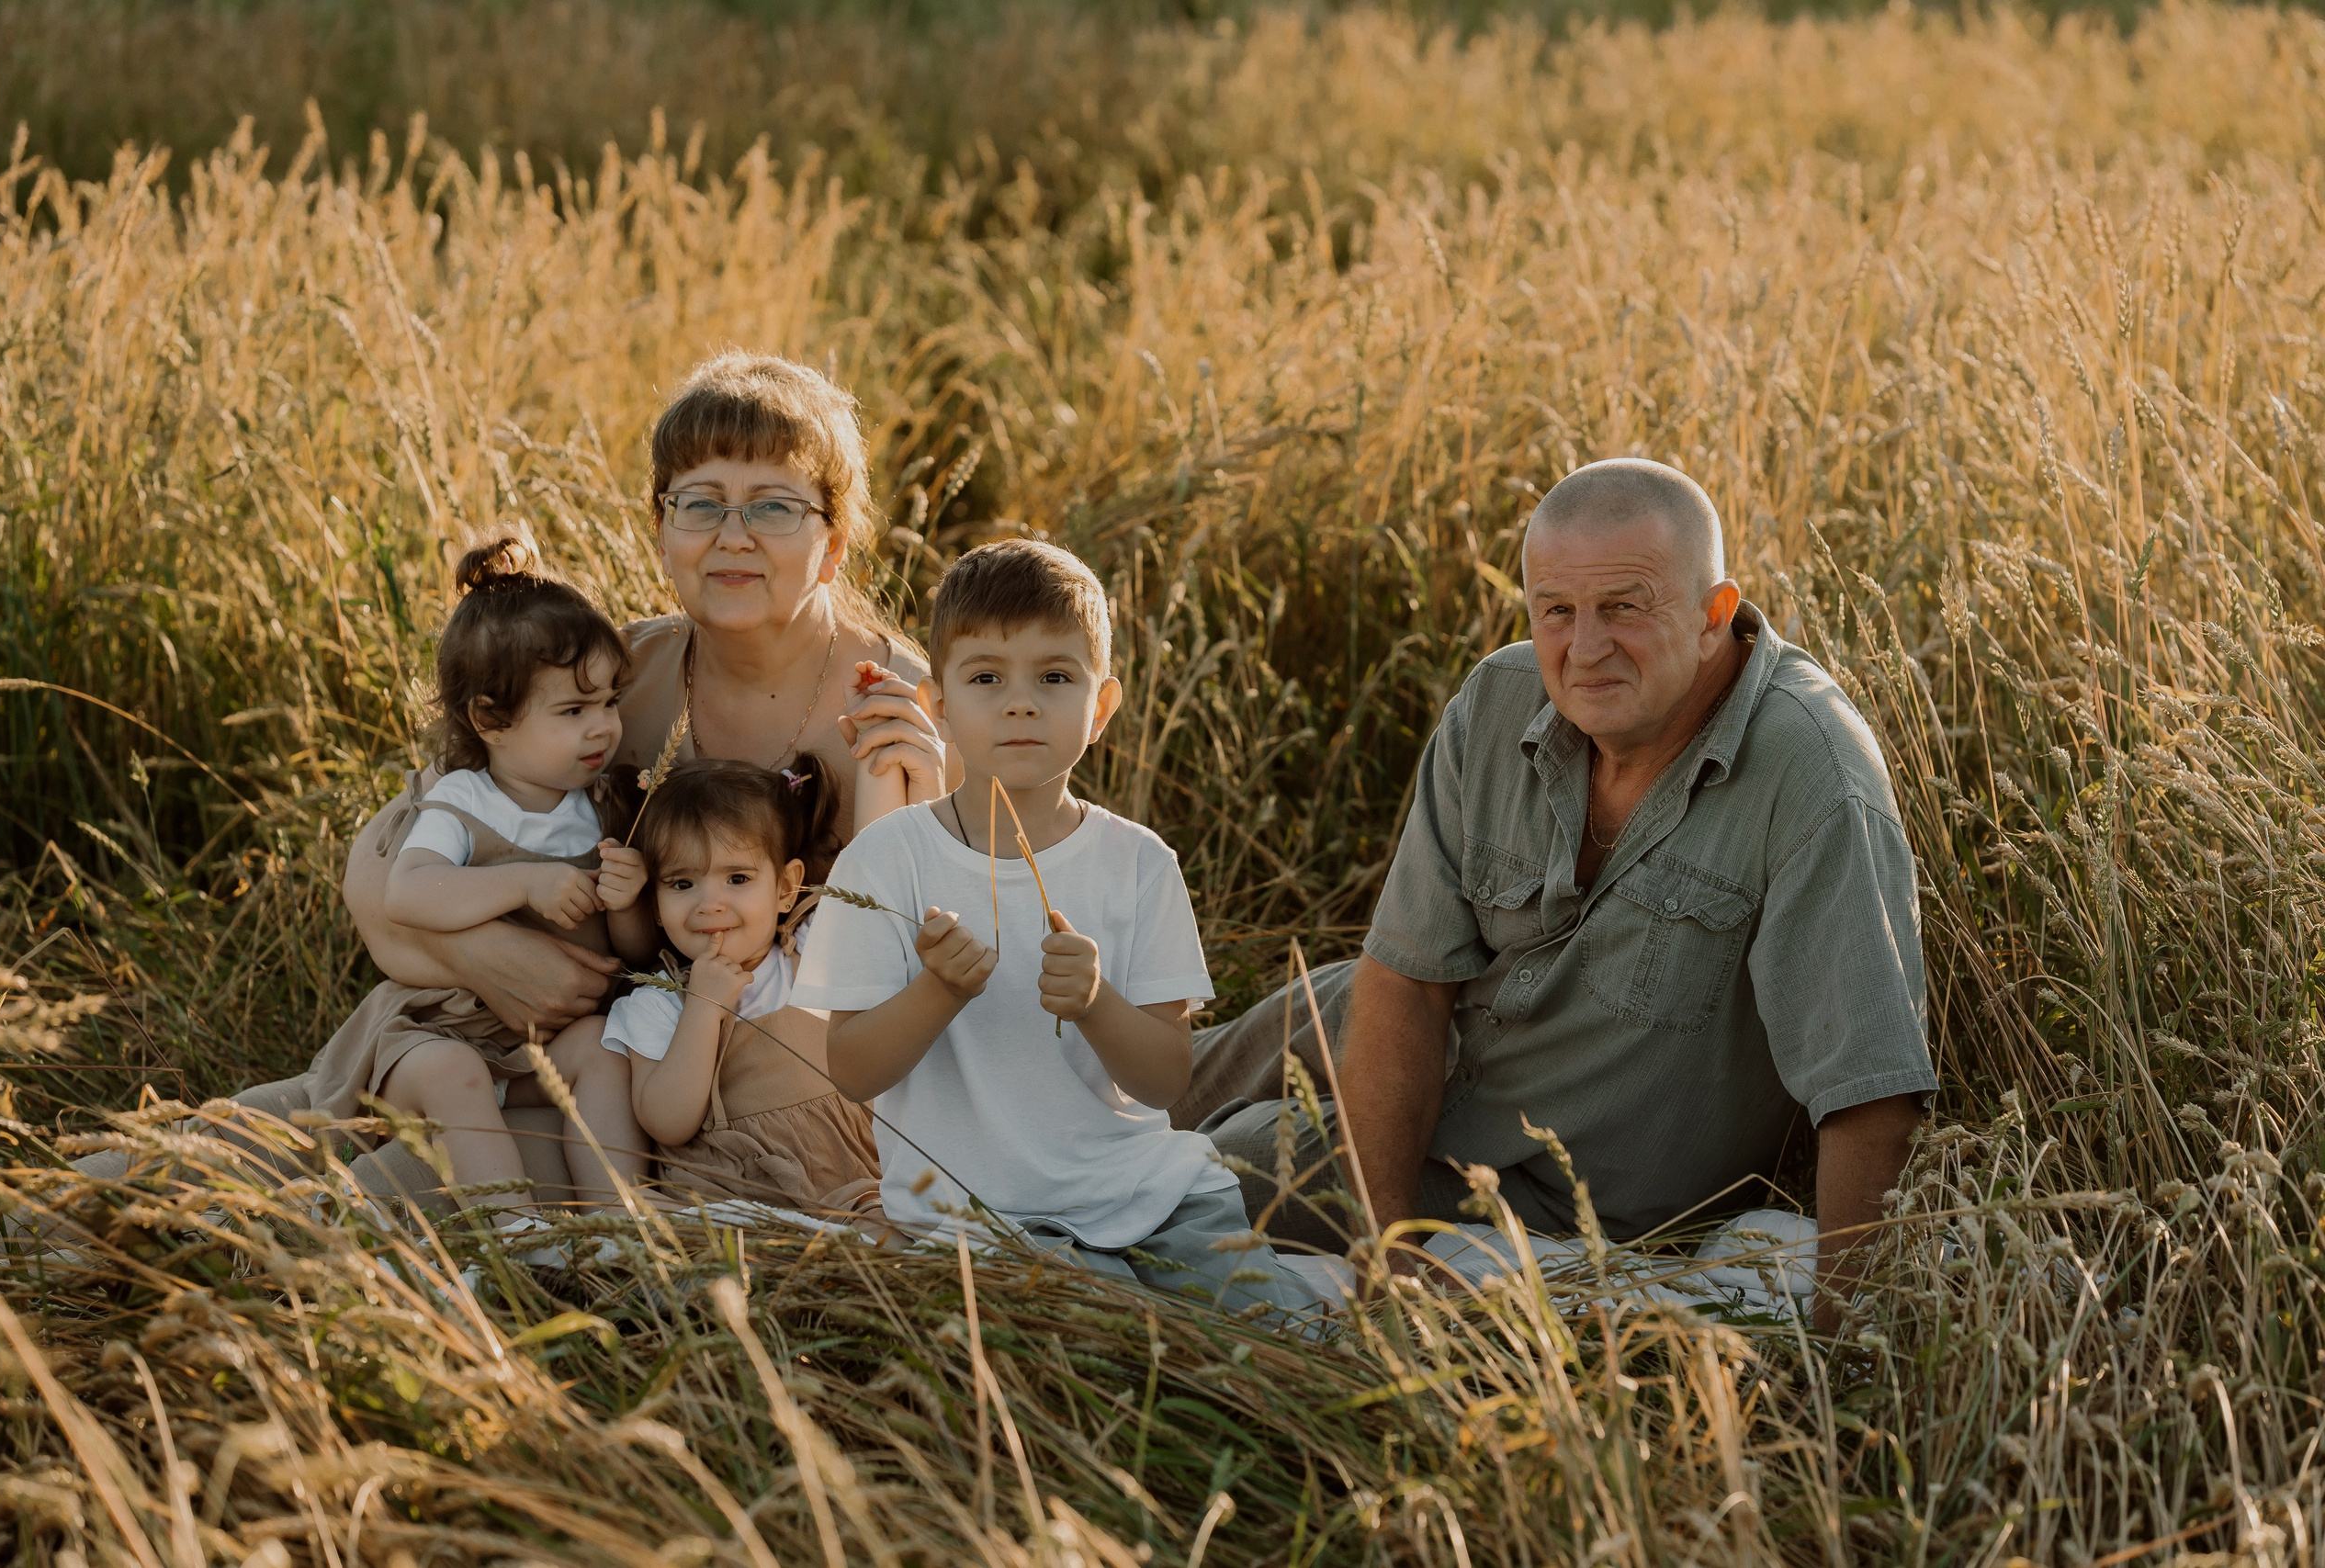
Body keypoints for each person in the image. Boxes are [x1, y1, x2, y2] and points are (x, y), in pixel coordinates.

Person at [1176, 458, 1936, 1326]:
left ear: (1711, 615)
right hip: (1449, 1031)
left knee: (1212, 1171)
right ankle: (1037, 1110)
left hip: (1531, 1165)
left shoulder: (1813, 775)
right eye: (1557, 611)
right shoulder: (1497, 701)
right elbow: (1407, 981)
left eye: (1624, 606)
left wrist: (1844, 1350)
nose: (1585, 647)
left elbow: (1869, 1089)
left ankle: (1056, 1195)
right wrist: (1387, 1258)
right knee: (1237, 1045)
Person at [343, 350, 948, 1043]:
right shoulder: (614, 683)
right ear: (661, 532)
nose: (732, 536)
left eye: (773, 507)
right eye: (699, 504)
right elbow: (376, 863)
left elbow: (961, 950)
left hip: (808, 1089)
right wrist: (485, 956)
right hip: (606, 1058)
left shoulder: (903, 710)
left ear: (834, 543)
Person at [791, 540, 1323, 1316]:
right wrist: (938, 990)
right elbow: (851, 1069)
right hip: (979, 1221)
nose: (1020, 702)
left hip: (1152, 1193)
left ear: (1100, 707)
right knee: (1115, 1344)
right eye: (985, 678)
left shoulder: (1139, 863)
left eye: (1053, 677)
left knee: (1286, 1335)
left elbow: (1166, 1078)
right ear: (937, 706)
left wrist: (1098, 1001)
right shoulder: (887, 862)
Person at [296, 538, 650, 1236]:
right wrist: (525, 880)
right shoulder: (463, 801)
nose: (603, 726)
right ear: (490, 720)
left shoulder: (602, 805)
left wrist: (629, 897)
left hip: (531, 1048)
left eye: (610, 701)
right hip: (432, 1036)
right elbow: (408, 894)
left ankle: (624, 1221)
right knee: (457, 1072)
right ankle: (516, 1234)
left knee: (603, 1050)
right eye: (574, 710)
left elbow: (631, 953)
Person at [574, 756, 881, 1222]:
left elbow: (878, 889)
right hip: (730, 1210)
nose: (709, 904)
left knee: (892, 1228)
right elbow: (667, 1122)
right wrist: (702, 1007)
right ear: (656, 906)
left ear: (785, 888)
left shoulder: (811, 952)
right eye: (682, 883)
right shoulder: (657, 1004)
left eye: (737, 879)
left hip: (848, 1188)